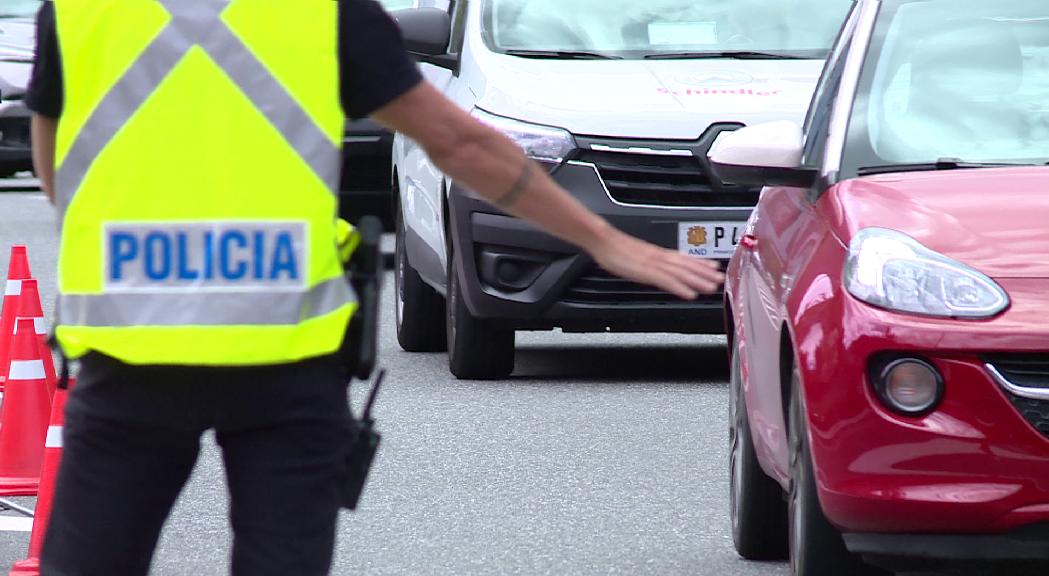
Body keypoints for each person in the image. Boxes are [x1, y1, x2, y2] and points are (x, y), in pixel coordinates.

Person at [26, 1, 725, 575]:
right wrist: (604, 241)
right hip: (285, 362)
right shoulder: (322, 11)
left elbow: (56, 160)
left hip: (131, 357)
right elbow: (460, 145)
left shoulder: (82, 9)